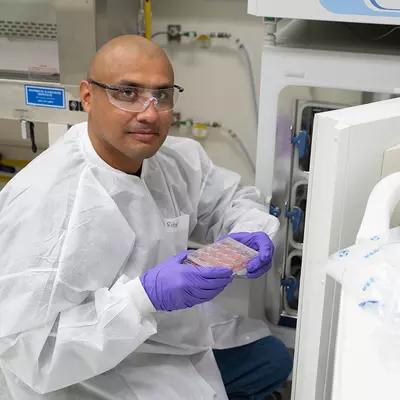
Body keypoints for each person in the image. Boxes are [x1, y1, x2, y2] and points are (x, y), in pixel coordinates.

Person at [0, 35, 292, 399]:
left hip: (165, 336)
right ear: (88, 97)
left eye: (162, 95)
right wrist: (143, 298)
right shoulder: (45, 201)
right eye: (127, 93)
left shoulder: (172, 160)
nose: (150, 112)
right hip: (84, 373)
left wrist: (250, 232)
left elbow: (231, 200)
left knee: (273, 361)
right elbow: (29, 352)